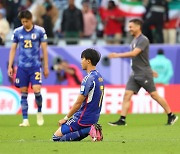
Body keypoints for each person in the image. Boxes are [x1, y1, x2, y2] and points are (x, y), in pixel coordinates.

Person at [108, 19, 178, 126]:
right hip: (135, 73)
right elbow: (143, 58)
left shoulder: (143, 40)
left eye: (131, 27)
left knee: (154, 95)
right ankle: (122, 120)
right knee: (127, 94)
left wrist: (117, 55)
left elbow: (135, 54)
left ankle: (171, 115)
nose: (129, 29)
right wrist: (151, 69)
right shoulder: (134, 41)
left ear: (138, 27)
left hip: (143, 74)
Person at [8, 10, 49, 127]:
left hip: (35, 66)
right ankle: (25, 119)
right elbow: (13, 49)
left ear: (31, 19)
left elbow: (45, 50)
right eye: (22, 22)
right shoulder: (17, 32)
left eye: (26, 21)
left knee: (37, 90)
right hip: (22, 67)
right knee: (23, 92)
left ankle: (39, 111)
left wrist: (46, 66)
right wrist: (10, 65)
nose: (24, 23)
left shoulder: (40, 31)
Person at [52, 48, 104, 142]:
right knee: (68, 136)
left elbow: (78, 103)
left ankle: (90, 130)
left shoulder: (88, 78)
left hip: (82, 117)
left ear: (88, 61)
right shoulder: (99, 77)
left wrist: (65, 118)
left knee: (56, 138)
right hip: (94, 117)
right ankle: (91, 129)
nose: (81, 62)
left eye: (82, 59)